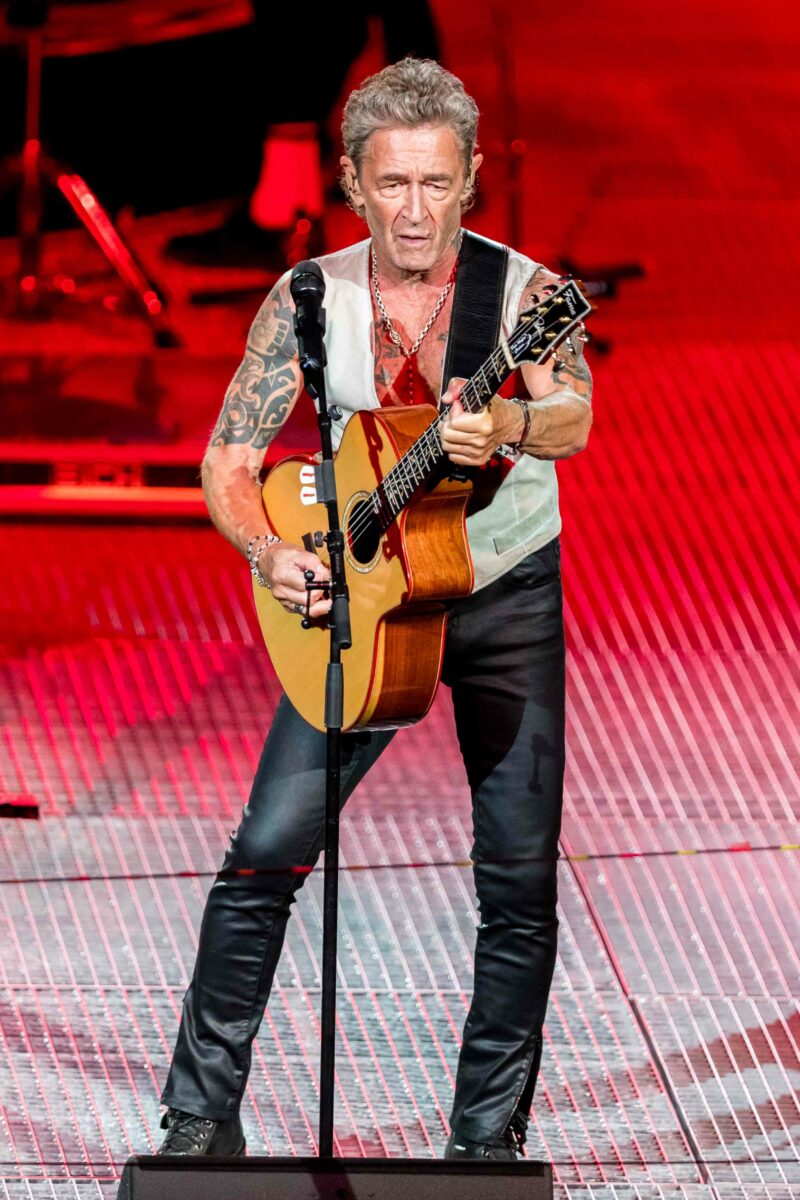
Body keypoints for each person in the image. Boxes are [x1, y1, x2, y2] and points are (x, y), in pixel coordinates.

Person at [157, 57, 592, 1160]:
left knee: (517, 879)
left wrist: (507, 426)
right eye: (391, 184)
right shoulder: (307, 297)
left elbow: (573, 416)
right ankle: (198, 1119)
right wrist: (267, 550)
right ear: (352, 182)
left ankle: (484, 1142)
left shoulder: (525, 293)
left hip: (501, 588)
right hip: (359, 599)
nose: (414, 210)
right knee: (264, 852)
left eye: (436, 184)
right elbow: (229, 458)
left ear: (470, 179)